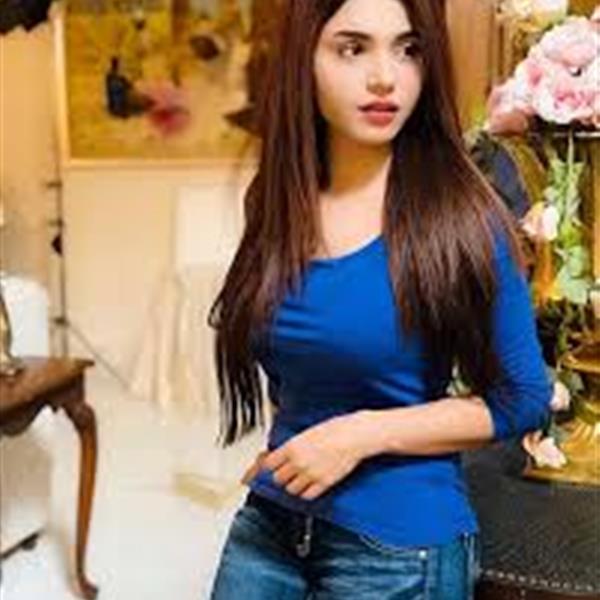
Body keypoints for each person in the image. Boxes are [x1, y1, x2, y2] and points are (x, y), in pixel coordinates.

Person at [207, 0, 552, 598]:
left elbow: (523, 399)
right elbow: (293, 370)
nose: (385, 77)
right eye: (353, 47)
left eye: (408, 49)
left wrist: (357, 435)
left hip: (397, 549)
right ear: (304, 58)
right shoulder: (274, 201)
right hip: (272, 526)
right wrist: (299, 446)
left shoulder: (460, 216)